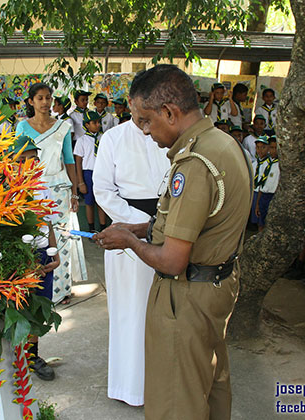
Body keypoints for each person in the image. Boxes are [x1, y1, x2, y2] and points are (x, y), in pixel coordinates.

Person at [94, 65, 252, 420]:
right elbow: (196, 224)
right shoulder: (223, 144)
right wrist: (140, 228)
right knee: (207, 388)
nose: (146, 132)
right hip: (215, 284)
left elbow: (172, 260)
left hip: (187, 297)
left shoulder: (194, 163)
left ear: (169, 112)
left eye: (147, 121)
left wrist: (129, 242)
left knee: (176, 401)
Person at [93, 103, 170, 407]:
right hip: (125, 230)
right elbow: (103, 190)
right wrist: (139, 226)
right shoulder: (113, 138)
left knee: (164, 311)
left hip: (169, 229)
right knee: (131, 312)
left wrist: (161, 224)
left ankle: (163, 386)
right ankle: (130, 388)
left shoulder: (171, 135)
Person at [16, 82, 86, 304]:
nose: (45, 102)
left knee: (62, 239)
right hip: (33, 189)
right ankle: (40, 288)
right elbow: (17, 160)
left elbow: (68, 160)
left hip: (60, 188)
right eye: (40, 98)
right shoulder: (22, 127)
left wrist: (74, 193)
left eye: (48, 98)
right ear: (31, 102)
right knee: (38, 239)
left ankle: (62, 290)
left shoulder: (63, 127)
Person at [11, 134, 60, 382]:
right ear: (12, 162)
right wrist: (26, 264)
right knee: (20, 309)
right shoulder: (8, 192)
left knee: (39, 308)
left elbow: (48, 222)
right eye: (25, 160)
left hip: (42, 255)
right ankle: (15, 358)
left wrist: (55, 252)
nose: (32, 164)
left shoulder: (42, 187)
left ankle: (32, 357)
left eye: (35, 158)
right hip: (21, 258)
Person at [74, 110, 107, 232]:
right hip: (88, 174)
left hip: (102, 173)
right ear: (87, 125)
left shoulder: (104, 138)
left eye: (98, 122)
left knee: (101, 202)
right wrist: (80, 182)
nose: (97, 125)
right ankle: (91, 229)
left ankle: (103, 228)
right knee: (89, 202)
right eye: (94, 123)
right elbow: (78, 162)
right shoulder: (82, 140)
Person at [254, 136, 280, 232]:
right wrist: (257, 204)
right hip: (263, 197)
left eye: (275, 148)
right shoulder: (266, 164)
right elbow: (262, 184)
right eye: (271, 148)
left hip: (273, 197)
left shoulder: (280, 165)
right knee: (261, 223)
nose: (273, 151)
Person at [251, 136, 270, 227]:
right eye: (258, 147)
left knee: (262, 217)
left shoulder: (269, 165)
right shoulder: (255, 164)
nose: (260, 150)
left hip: (262, 193)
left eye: (263, 147)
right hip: (254, 192)